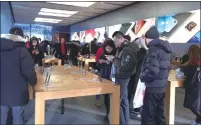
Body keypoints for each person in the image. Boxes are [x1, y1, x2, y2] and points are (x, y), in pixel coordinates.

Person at [0, 27, 37, 124]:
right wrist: (34, 82)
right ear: (21, 37)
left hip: (1, 90)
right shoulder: (22, 51)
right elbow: (29, 71)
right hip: (18, 92)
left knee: (2, 118)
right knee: (17, 117)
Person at [140, 26, 173, 125]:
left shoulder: (152, 50)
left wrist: (142, 76)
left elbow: (152, 71)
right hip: (161, 87)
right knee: (159, 115)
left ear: (146, 38)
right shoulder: (165, 49)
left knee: (148, 116)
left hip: (152, 87)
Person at [107, 31, 139, 125]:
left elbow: (125, 66)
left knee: (116, 101)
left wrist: (113, 59)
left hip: (122, 78)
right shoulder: (122, 48)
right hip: (122, 77)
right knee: (124, 102)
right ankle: (125, 121)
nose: (115, 43)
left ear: (121, 38)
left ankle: (121, 122)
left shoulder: (127, 49)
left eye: (115, 41)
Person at [129, 37, 148, 119]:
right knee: (141, 93)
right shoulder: (147, 52)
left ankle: (136, 111)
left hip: (138, 75)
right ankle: (138, 110)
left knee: (138, 92)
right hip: (144, 76)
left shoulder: (140, 52)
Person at [97, 38, 116, 123]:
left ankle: (110, 113)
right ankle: (108, 112)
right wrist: (100, 62)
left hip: (113, 78)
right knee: (106, 97)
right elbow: (97, 66)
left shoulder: (115, 55)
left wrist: (111, 62)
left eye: (110, 48)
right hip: (104, 78)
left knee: (112, 97)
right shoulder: (103, 54)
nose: (108, 50)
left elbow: (118, 66)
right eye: (107, 48)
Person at [181, 46, 201, 125]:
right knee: (197, 105)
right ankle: (198, 121)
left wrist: (182, 69)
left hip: (195, 87)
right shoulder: (195, 63)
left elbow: (187, 71)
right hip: (197, 86)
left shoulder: (194, 64)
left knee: (193, 105)